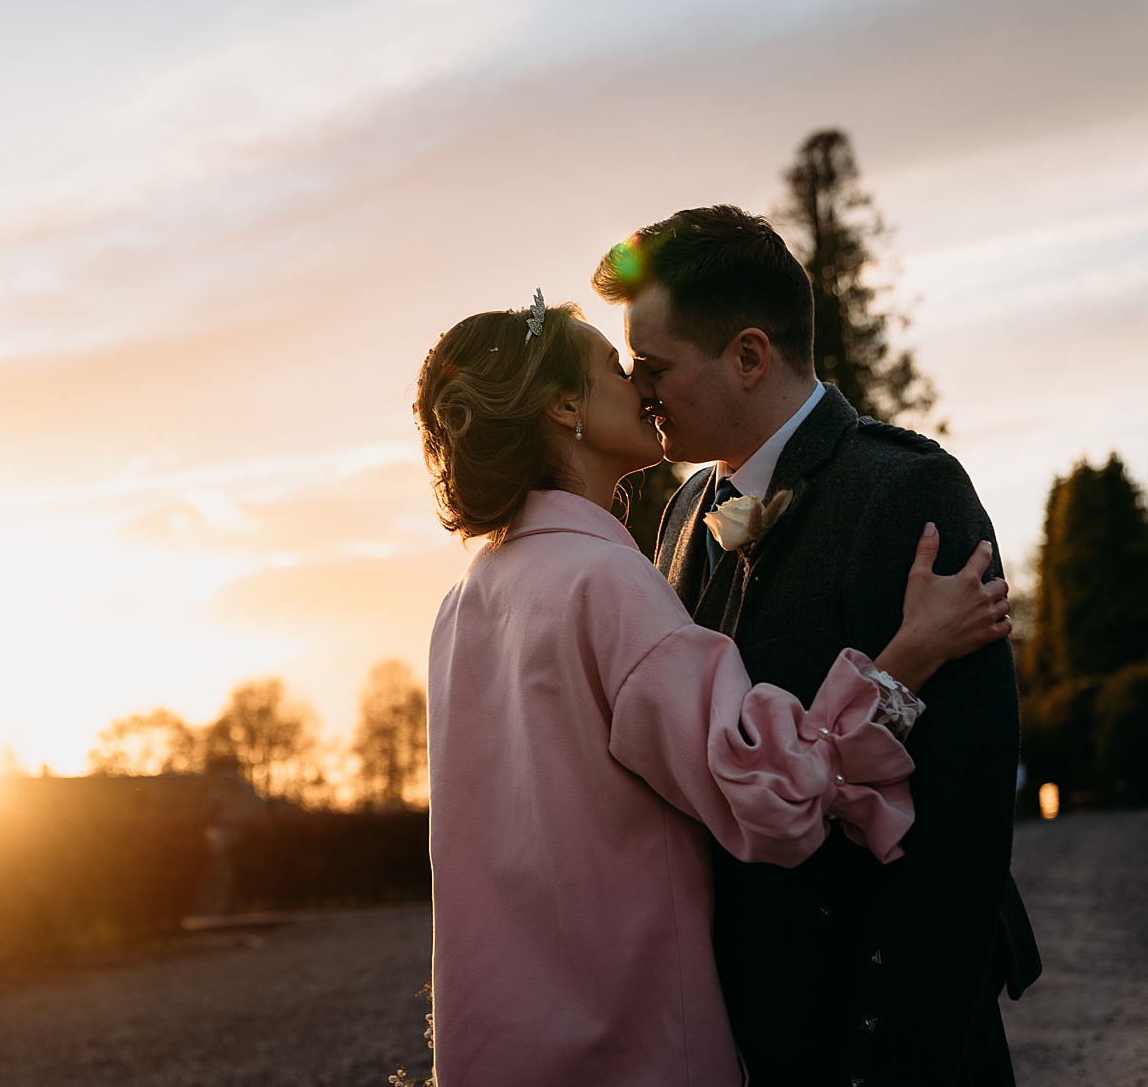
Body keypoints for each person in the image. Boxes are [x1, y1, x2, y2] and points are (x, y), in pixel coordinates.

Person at [418, 296, 1011, 1087]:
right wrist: (905, 660)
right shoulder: (604, 582)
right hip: (639, 1043)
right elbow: (774, 791)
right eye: (611, 366)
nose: (639, 384)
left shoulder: (463, 603)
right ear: (566, 407)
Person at [592, 205, 1040, 1086]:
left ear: (749, 356)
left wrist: (887, 1057)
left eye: (653, 366)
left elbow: (964, 812)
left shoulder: (906, 488)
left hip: (882, 1024)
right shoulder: (684, 514)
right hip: (751, 1026)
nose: (639, 390)